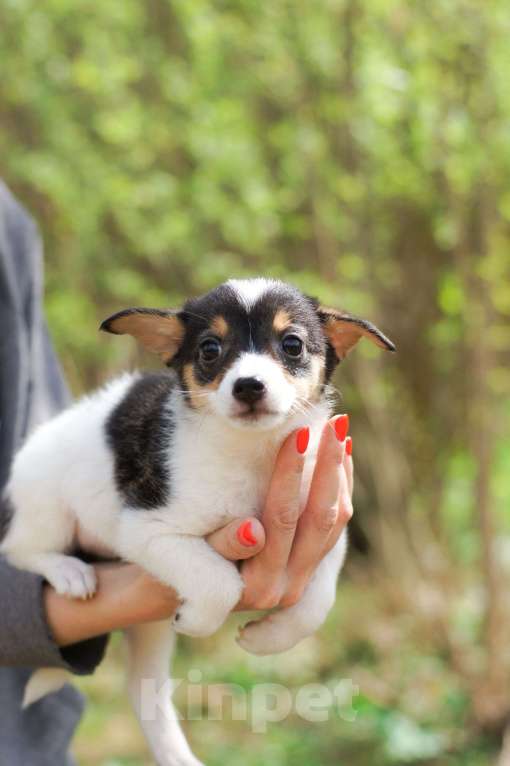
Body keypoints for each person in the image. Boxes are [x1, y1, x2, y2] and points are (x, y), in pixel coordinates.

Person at [0, 181, 353, 765]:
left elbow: (331, 532)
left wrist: (306, 612)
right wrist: (212, 591)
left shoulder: (9, 227)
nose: (250, 372)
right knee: (46, 473)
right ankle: (35, 554)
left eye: (289, 346)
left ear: (334, 351)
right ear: (175, 355)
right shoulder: (189, 458)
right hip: (69, 510)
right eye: (212, 354)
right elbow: (145, 534)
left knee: (154, 657)